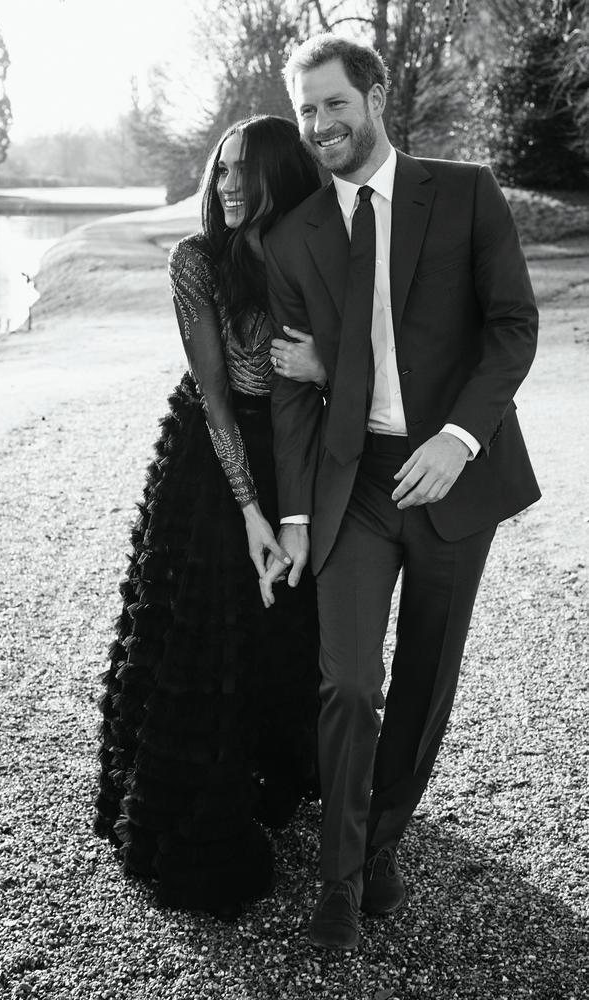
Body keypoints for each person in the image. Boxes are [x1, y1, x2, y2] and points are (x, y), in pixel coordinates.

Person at [261, 34, 541, 950]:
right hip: (359, 483)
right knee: (347, 681)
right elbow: (302, 393)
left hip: (452, 475)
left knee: (424, 682)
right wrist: (296, 515)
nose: (319, 126)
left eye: (333, 104)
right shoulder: (296, 235)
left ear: (374, 96)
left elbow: (511, 327)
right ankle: (337, 881)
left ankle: (382, 846)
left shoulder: (464, 192)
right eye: (306, 111)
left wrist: (461, 439)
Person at [94, 115, 326, 920]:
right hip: (213, 461)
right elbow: (219, 399)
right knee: (212, 630)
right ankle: (210, 799)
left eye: (245, 172)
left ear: (282, 181)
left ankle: (280, 774)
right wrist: (253, 511)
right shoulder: (196, 262)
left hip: (298, 453)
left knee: (291, 621)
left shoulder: (314, 253)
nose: (228, 185)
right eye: (220, 170)